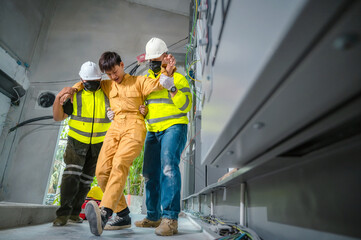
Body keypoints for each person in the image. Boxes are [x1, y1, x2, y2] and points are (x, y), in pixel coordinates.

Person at [58, 51, 176, 236]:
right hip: (115, 127)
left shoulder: (139, 82)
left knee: (120, 163)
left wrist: (166, 70)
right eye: (109, 74)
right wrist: (72, 89)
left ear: (121, 65)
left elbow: (158, 83)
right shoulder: (106, 85)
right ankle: (122, 214)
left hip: (134, 126)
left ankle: (105, 213)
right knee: (102, 171)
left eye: (115, 72)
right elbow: (85, 83)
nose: (114, 77)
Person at [134, 37, 192, 236]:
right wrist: (143, 111)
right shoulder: (147, 82)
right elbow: (148, 108)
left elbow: (186, 106)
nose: (153, 63)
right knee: (150, 173)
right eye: (150, 60)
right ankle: (153, 216)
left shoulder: (180, 78)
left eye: (156, 59)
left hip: (174, 127)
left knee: (168, 167)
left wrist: (172, 88)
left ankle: (170, 219)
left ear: (166, 57)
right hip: (153, 130)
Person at [52, 61, 111, 226]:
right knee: (71, 176)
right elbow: (58, 117)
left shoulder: (107, 93)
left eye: (95, 82)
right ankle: (62, 215)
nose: (92, 85)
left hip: (98, 144)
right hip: (76, 143)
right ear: (81, 80)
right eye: (88, 82)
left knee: (86, 180)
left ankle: (75, 213)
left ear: (100, 79)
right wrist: (58, 98)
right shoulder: (73, 95)